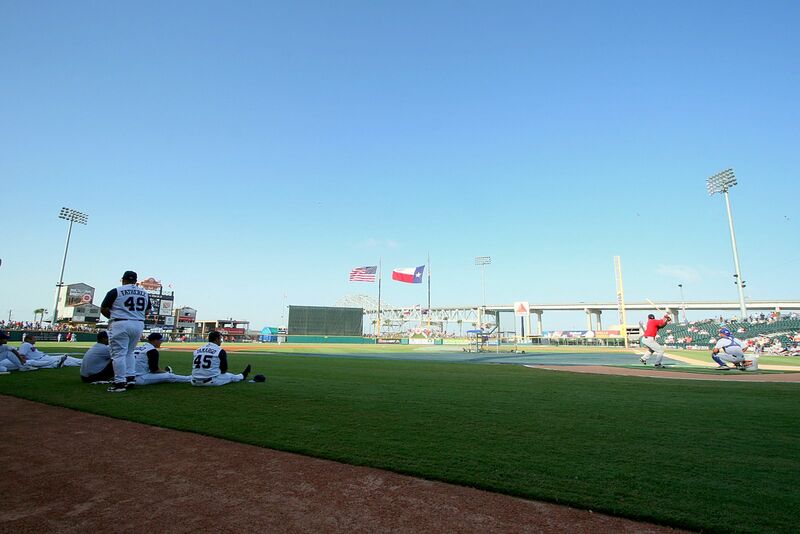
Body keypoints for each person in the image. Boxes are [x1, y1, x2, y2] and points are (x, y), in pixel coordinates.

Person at [101, 270, 150, 393]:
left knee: (118, 354)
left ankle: (120, 382)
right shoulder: (144, 293)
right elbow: (147, 311)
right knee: (129, 352)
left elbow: (104, 309)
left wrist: (113, 318)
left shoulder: (116, 290)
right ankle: (130, 377)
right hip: (138, 323)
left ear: (123, 280)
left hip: (120, 323)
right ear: (135, 281)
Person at [18, 334, 82, 369]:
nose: (35, 340)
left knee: (65, 361)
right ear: (29, 339)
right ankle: (83, 362)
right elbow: (21, 355)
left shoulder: (28, 345)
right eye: (34, 339)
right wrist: (27, 362)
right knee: (66, 359)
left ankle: (82, 363)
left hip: (43, 357)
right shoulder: (25, 344)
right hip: (41, 359)